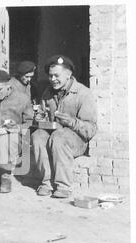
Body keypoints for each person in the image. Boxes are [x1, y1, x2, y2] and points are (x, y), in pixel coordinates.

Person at [31, 55, 97, 198]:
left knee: (58, 137)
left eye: (56, 75)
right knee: (37, 136)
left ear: (69, 74)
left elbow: (91, 129)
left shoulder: (83, 93)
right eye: (50, 76)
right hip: (54, 137)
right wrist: (40, 118)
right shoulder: (48, 92)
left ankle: (63, 186)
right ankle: (46, 183)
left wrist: (72, 122)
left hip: (76, 141)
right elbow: (43, 113)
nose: (52, 79)